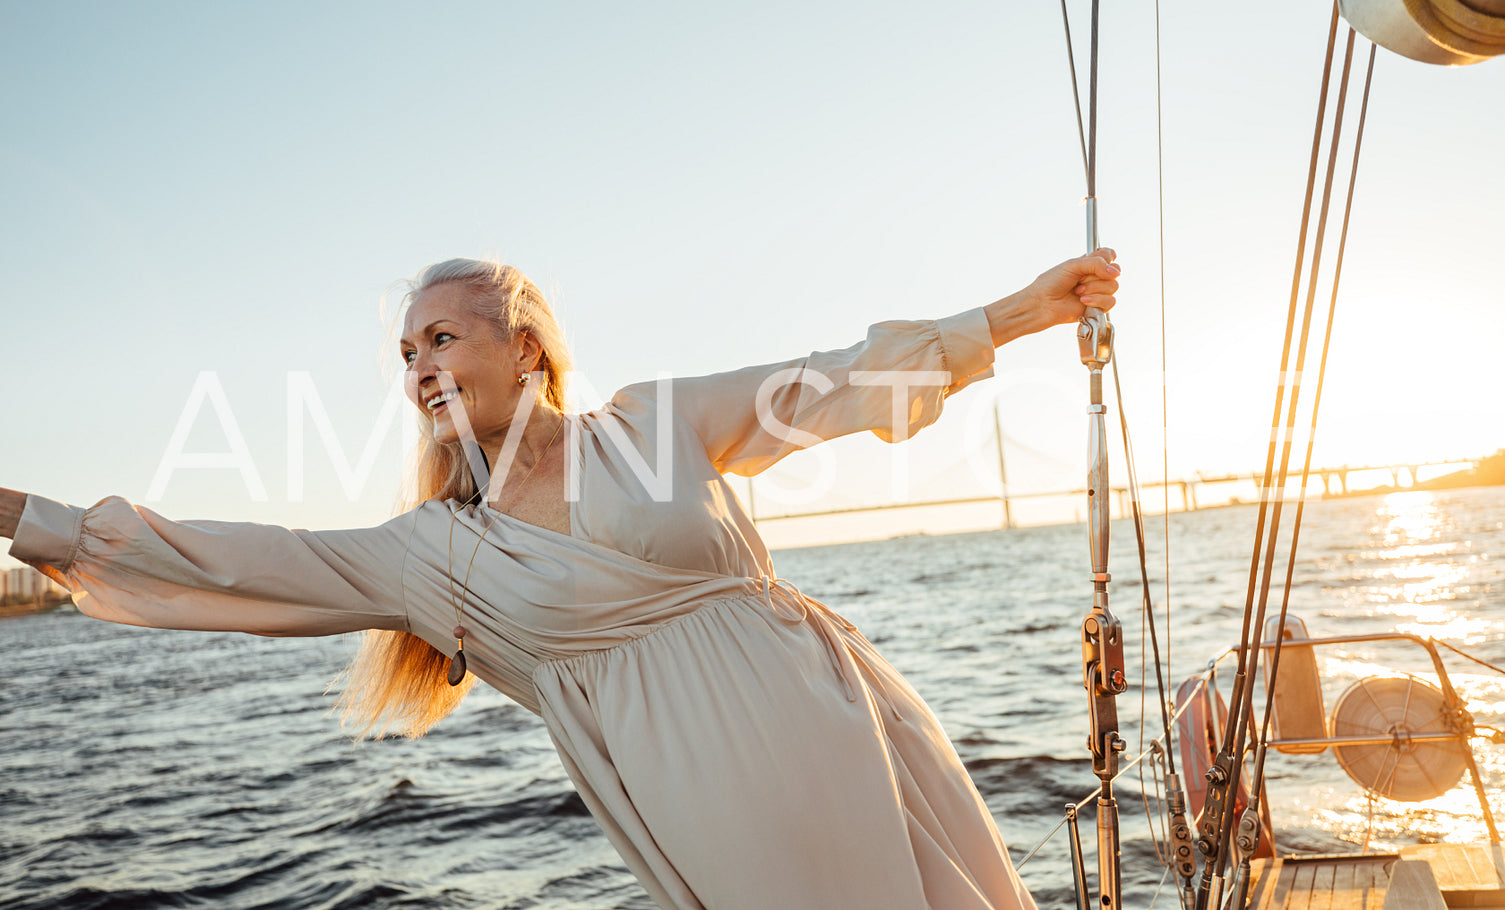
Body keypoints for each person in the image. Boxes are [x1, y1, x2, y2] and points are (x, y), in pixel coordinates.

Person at [0, 249, 1119, 910]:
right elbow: (231, 555)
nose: (419, 367)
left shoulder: (653, 421)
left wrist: (1024, 309)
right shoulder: (436, 553)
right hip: (714, 805)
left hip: (849, 724)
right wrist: (21, 516)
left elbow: (830, 382)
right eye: (404, 354)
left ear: (524, 344)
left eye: (439, 336)